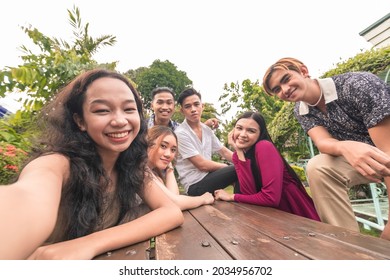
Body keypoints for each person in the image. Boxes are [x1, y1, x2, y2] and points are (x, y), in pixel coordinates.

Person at [0, 69, 183, 260]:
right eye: (102, 110)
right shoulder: (58, 164)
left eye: (129, 109)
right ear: (80, 121)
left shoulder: (130, 166)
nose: (120, 121)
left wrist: (89, 244)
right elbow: (26, 199)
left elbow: (171, 212)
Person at [262, 57, 390, 240]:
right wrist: (346, 147)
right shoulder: (300, 110)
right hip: (367, 160)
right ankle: (347, 247)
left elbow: (388, 154)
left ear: (303, 71)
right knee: (318, 166)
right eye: (277, 89)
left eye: (286, 79)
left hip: (386, 154)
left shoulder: (358, 84)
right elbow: (322, 142)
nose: (285, 90)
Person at [214, 111, 320, 221]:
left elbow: (270, 198)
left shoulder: (264, 147)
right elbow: (249, 193)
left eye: (251, 131)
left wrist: (232, 196)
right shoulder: (238, 155)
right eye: (239, 128)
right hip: (271, 216)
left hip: (292, 211)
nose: (243, 134)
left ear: (260, 134)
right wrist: (238, 151)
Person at [175, 87, 238, 196]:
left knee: (244, 170)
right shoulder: (180, 133)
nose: (193, 109)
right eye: (187, 106)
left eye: (196, 104)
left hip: (209, 177)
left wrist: (244, 161)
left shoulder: (207, 130)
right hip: (194, 185)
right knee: (237, 170)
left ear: (202, 106)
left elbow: (224, 152)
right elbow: (202, 165)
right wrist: (235, 166)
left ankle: (244, 202)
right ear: (182, 111)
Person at [147, 125, 214, 210]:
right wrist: (203, 199)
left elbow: (173, 196)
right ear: (148, 144)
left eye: (173, 150)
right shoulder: (141, 170)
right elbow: (173, 203)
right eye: (163, 146)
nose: (168, 154)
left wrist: (169, 169)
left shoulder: (154, 174)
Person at [147, 86, 219, 130]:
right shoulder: (141, 128)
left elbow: (193, 136)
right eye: (160, 102)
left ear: (174, 107)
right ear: (152, 106)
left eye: (169, 103)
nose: (165, 107)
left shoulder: (179, 129)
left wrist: (206, 124)